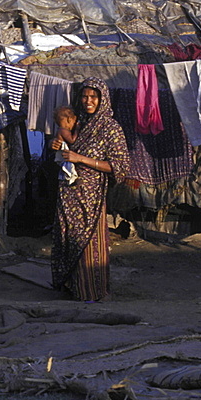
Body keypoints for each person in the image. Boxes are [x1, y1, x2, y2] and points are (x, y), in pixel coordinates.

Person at [49, 78, 129, 302]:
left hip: (91, 197)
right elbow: (63, 145)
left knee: (89, 243)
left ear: (102, 99)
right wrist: (55, 145)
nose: (88, 101)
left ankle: (92, 291)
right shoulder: (78, 122)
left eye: (93, 97)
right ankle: (71, 288)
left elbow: (120, 166)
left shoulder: (111, 128)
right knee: (67, 238)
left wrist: (80, 158)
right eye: (84, 96)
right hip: (68, 193)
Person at [53, 105, 79, 185]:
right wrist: (77, 129)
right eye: (73, 123)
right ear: (69, 120)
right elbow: (72, 140)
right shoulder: (63, 130)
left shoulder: (59, 130)